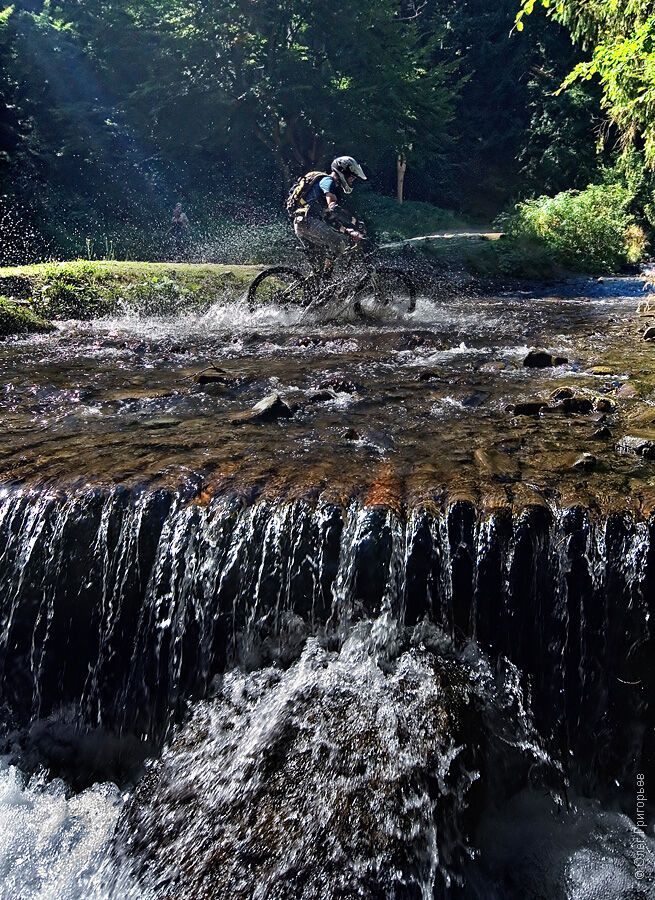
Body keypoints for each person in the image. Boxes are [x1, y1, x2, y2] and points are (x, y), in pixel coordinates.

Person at [289, 156, 367, 273]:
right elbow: (334, 208)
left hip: (304, 223)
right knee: (338, 243)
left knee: (319, 269)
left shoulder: (328, 188)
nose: (352, 180)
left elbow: (329, 218)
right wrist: (355, 222)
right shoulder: (328, 181)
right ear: (342, 172)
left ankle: (319, 286)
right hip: (308, 222)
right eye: (352, 177)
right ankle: (327, 279)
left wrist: (347, 231)